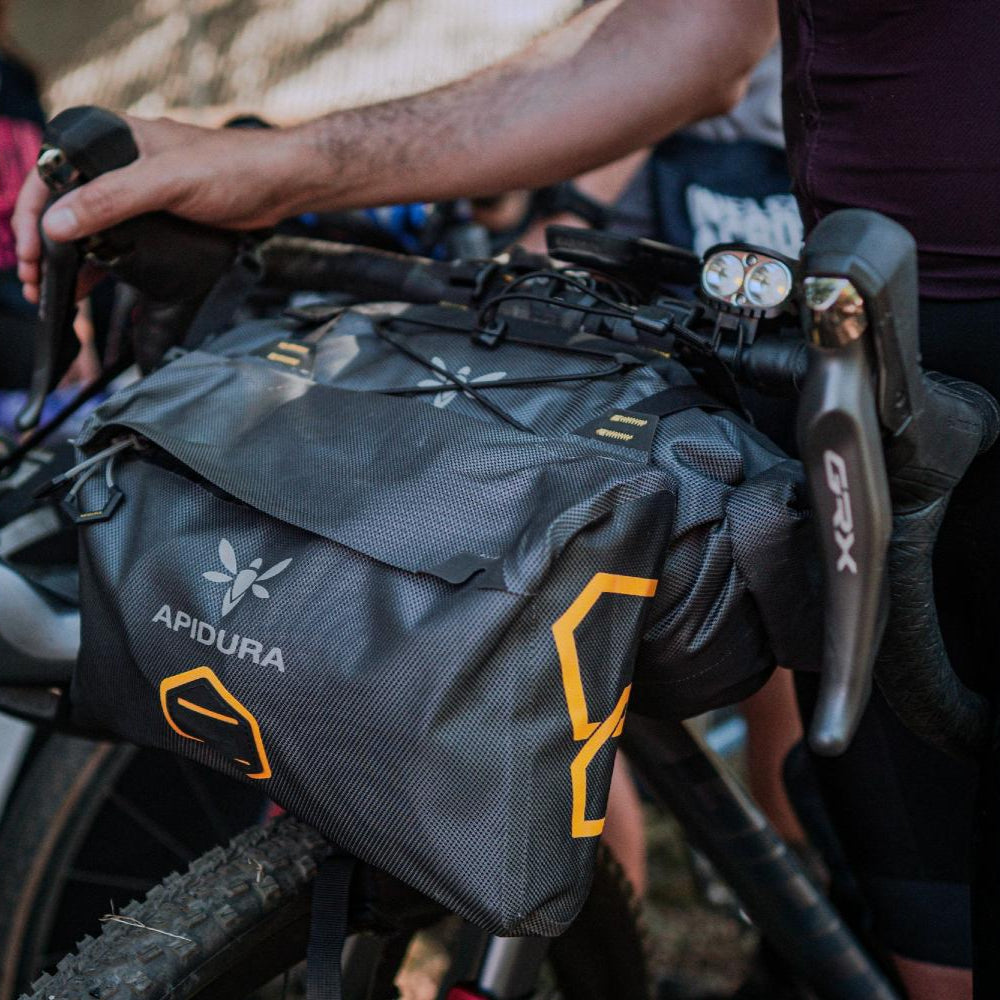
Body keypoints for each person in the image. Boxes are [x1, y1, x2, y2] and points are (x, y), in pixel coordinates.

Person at [14, 2, 998, 997]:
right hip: (878, 375)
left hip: (892, 367)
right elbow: (691, 35)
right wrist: (276, 168)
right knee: (938, 951)